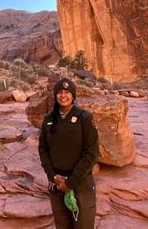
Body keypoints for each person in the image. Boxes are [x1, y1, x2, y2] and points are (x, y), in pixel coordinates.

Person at [38, 77, 99, 229]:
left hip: (81, 183)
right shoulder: (49, 119)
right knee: (62, 226)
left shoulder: (84, 118)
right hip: (56, 183)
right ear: (55, 95)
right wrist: (52, 175)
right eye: (59, 92)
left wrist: (70, 182)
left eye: (67, 92)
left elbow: (91, 153)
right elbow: (43, 149)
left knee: (83, 225)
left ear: (73, 96)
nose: (63, 95)